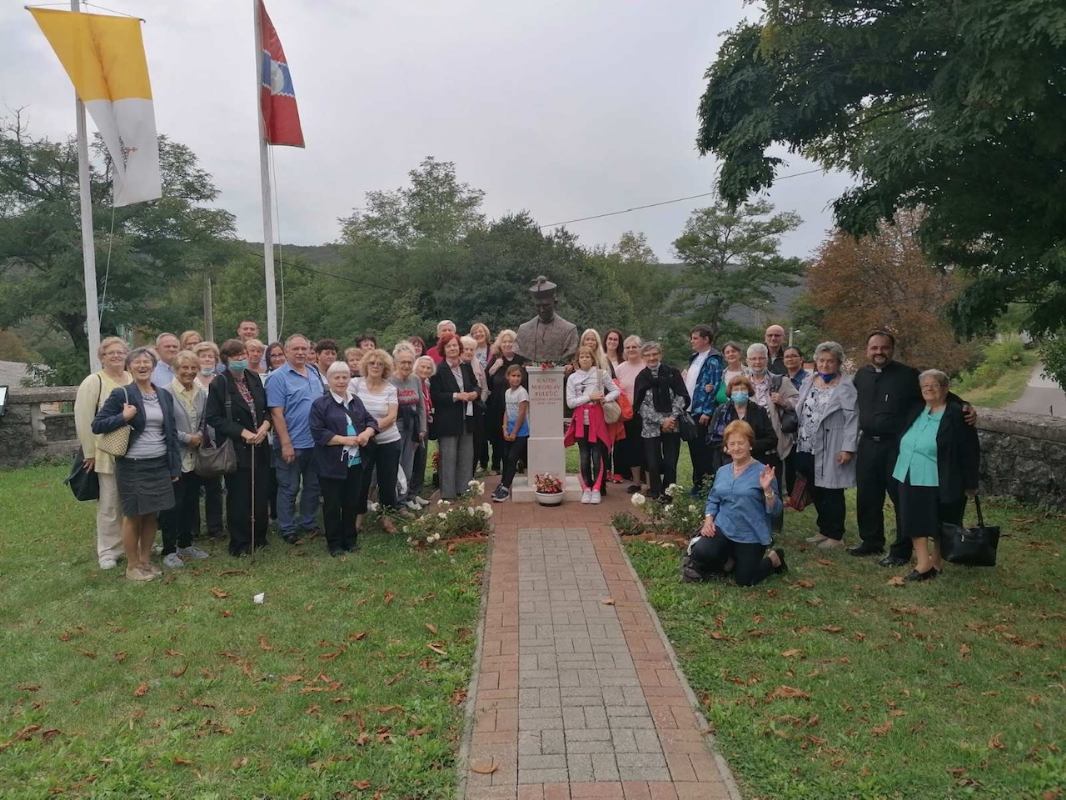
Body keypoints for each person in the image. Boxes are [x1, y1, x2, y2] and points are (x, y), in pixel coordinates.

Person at [850, 330, 977, 566]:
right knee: (867, 495)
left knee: (901, 498)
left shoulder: (907, 375)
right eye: (874, 348)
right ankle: (871, 540)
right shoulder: (861, 375)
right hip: (868, 443)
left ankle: (900, 550)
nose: (879, 352)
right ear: (867, 350)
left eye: (884, 347)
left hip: (895, 446)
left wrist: (965, 405)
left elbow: (937, 390)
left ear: (892, 349)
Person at [92, 347, 182, 581]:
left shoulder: (163, 394)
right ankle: (132, 567)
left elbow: (170, 432)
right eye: (137, 362)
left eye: (146, 362)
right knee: (133, 515)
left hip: (159, 463)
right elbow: (98, 425)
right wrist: (123, 417)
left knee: (152, 515)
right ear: (129, 367)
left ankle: (145, 561)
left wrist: (174, 466)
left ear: (153, 367)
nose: (142, 366)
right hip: (132, 465)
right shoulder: (122, 394)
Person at [892, 370, 980, 581]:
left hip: (940, 475)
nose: (929, 389)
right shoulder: (916, 408)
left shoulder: (957, 414)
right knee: (913, 518)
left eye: (935, 385)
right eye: (925, 386)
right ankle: (923, 564)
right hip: (908, 471)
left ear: (946, 389)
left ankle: (937, 561)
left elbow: (970, 449)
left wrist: (971, 482)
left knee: (941, 521)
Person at [686, 421, 786, 585]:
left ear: (750, 445)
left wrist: (768, 491)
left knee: (744, 580)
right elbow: (713, 499)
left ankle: (774, 559)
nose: (737, 448)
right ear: (727, 447)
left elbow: (776, 511)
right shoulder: (722, 471)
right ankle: (729, 561)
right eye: (732, 444)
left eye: (741, 443)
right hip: (724, 528)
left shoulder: (763, 473)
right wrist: (709, 520)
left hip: (750, 534)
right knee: (701, 553)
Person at [206, 339, 272, 557]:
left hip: (261, 444)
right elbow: (214, 418)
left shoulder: (253, 377)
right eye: (236, 357)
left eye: (243, 355)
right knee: (240, 496)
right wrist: (242, 433)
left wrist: (265, 425)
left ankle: (259, 536)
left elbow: (265, 408)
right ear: (226, 360)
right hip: (238, 448)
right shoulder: (220, 383)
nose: (241, 360)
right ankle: (240, 542)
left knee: (261, 492)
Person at [792, 341, 858, 549]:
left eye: (830, 361)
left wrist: (848, 448)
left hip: (832, 445)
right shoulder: (809, 380)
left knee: (832, 490)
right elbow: (799, 407)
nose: (825, 364)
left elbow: (853, 417)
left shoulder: (846, 385)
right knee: (814, 487)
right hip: (806, 443)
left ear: (838, 362)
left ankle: (836, 535)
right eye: (821, 360)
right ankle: (823, 529)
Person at [74, 336, 132, 569]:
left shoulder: (131, 377)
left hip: (133, 450)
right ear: (102, 357)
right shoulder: (94, 382)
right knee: (109, 502)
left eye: (120, 352)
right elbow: (84, 418)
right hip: (105, 451)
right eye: (111, 353)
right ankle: (108, 550)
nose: (117, 356)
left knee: (131, 501)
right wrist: (89, 452)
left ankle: (131, 542)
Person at [310, 362, 378, 556]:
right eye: (336, 377)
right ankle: (334, 543)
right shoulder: (320, 404)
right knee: (332, 505)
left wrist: (367, 433)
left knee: (352, 502)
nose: (341, 381)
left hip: (355, 462)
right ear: (329, 380)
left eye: (344, 377)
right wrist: (345, 440)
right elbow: (318, 432)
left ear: (349, 378)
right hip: (331, 463)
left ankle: (350, 539)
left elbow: (370, 421)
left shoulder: (355, 400)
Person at [265, 333, 323, 544]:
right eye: (295, 349)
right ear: (286, 351)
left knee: (313, 486)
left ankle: (308, 522)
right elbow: (276, 413)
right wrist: (286, 443)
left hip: (316, 443)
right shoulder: (277, 378)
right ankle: (287, 527)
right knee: (289, 487)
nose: (300, 352)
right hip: (292, 443)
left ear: (309, 351)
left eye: (304, 349)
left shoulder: (314, 371)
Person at [158, 350, 211, 568]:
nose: (188, 372)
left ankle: (186, 544)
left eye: (192, 368)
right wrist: (187, 438)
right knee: (173, 506)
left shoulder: (201, 392)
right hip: (175, 457)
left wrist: (199, 435)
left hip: (195, 457)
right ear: (175, 369)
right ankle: (169, 550)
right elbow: (165, 425)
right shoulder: (165, 393)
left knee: (190, 503)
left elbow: (204, 419)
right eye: (184, 368)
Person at [350, 349, 403, 531]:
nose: (375, 366)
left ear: (385, 368)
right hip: (363, 442)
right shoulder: (355, 384)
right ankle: (358, 517)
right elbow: (350, 412)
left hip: (388, 441)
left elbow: (391, 417)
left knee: (387, 481)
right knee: (361, 480)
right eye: (372, 363)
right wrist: (365, 433)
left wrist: (369, 430)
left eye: (380, 364)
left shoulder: (390, 388)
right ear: (365, 365)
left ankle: (386, 517)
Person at [633, 341, 689, 501]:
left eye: (655, 354)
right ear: (643, 357)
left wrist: (671, 418)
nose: (652, 358)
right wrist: (661, 421)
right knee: (653, 463)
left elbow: (682, 396)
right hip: (651, 427)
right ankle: (656, 493)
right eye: (648, 355)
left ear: (660, 355)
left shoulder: (673, 373)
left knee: (671, 463)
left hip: (673, 424)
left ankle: (669, 494)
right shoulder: (642, 377)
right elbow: (640, 405)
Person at [566, 346, 619, 503]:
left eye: (588, 356)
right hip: (581, 420)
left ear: (593, 358)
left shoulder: (601, 374)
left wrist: (604, 398)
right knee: (583, 456)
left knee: (597, 456)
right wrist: (589, 396)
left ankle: (596, 488)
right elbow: (570, 403)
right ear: (577, 360)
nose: (585, 359)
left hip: (597, 420)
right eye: (581, 357)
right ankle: (586, 488)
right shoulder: (572, 378)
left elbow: (616, 391)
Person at [430, 332, 480, 499]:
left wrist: (474, 393)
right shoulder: (438, 370)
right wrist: (456, 396)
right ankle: (448, 494)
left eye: (455, 345)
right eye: (449, 346)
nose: (453, 348)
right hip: (448, 421)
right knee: (449, 458)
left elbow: (475, 385)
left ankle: (464, 490)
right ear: (443, 349)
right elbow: (435, 395)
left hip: (467, 418)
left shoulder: (466, 366)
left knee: (467, 456)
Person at [706, 375, 777, 473]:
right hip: (726, 462)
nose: (739, 392)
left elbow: (772, 439)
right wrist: (727, 448)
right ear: (730, 392)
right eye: (736, 389)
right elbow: (710, 438)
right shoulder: (721, 411)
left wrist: (748, 448)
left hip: (754, 462)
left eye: (743, 389)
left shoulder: (759, 411)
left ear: (749, 391)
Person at [685, 325, 725, 494]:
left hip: (703, 412)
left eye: (695, 338)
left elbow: (714, 386)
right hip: (691, 410)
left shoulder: (713, 359)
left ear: (706, 339)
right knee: (694, 449)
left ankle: (706, 486)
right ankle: (698, 483)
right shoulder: (695, 357)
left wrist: (707, 411)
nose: (692, 341)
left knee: (704, 451)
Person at [191, 340, 224, 539]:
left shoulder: (220, 380)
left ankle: (215, 526)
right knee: (193, 487)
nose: (207, 359)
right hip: (192, 439)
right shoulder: (189, 380)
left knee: (214, 486)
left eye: (210, 356)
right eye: (203, 356)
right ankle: (193, 528)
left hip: (214, 440)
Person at [392, 343, 428, 511]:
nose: (406, 365)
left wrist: (422, 428)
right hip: (395, 426)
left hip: (412, 427)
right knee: (395, 465)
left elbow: (421, 406)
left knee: (408, 463)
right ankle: (394, 501)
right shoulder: (389, 380)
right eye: (402, 362)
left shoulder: (415, 379)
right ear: (395, 362)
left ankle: (405, 497)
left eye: (409, 362)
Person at [485, 329, 527, 474]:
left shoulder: (521, 360)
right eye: (505, 342)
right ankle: (496, 465)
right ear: (500, 344)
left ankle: (519, 463)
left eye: (511, 341)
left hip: (518, 403)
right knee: (498, 435)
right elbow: (487, 380)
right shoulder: (496, 359)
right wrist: (495, 366)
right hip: (497, 404)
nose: (508, 344)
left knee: (519, 432)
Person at [514, 276, 579, 363]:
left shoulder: (569, 330)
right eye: (538, 306)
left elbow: (570, 355)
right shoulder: (524, 330)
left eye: (546, 305)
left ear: (554, 303)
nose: (542, 310)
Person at [492, 364, 529, 502]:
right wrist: (504, 427)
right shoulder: (508, 392)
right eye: (513, 376)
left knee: (513, 457)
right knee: (506, 457)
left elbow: (521, 413)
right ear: (507, 377)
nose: (516, 379)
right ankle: (502, 484)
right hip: (509, 430)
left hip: (521, 432)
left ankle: (506, 488)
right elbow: (507, 411)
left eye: (518, 376)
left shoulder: (522, 393)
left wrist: (514, 432)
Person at [614, 335, 646, 493]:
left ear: (641, 348)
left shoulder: (647, 365)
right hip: (628, 414)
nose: (631, 350)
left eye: (634, 347)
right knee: (632, 447)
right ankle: (636, 482)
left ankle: (651, 482)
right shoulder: (620, 368)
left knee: (648, 447)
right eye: (628, 347)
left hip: (647, 413)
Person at [461, 334, 491, 473]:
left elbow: (484, 387)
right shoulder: (457, 365)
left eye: (471, 349)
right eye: (466, 349)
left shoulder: (477, 364)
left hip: (476, 407)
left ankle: (471, 473)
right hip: (461, 409)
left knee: (477, 442)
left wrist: (479, 401)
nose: (468, 352)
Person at [411, 355, 436, 504]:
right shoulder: (412, 382)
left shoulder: (426, 383)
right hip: (414, 426)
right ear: (416, 367)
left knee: (421, 459)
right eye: (423, 366)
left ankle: (416, 492)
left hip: (425, 423)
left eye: (428, 368)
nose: (425, 370)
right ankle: (407, 495)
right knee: (412, 460)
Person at [715, 342, 745, 406]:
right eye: (727, 352)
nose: (731, 354)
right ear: (725, 357)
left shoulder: (749, 373)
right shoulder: (721, 374)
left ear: (739, 354)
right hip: (722, 413)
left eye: (733, 351)